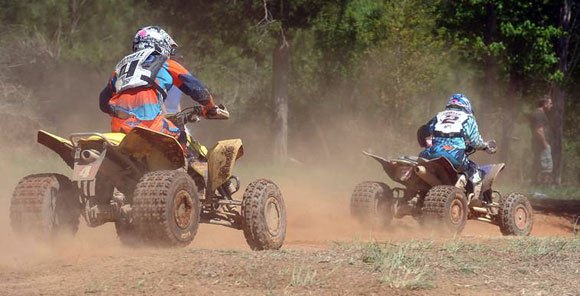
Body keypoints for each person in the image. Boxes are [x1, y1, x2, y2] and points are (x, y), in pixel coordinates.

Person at [99, 25, 216, 150]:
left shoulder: (120, 68)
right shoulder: (166, 63)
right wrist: (211, 108)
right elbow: (199, 91)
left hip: (119, 128)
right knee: (181, 136)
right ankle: (178, 170)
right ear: (160, 43)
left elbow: (103, 103)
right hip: (149, 125)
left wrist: (126, 112)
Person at [419, 93, 493, 206]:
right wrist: (485, 146)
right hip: (454, 155)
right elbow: (475, 141)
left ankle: (419, 192)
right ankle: (472, 199)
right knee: (474, 170)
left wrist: (427, 144)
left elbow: (423, 131)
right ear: (466, 105)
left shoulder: (438, 116)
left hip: (430, 154)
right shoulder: (468, 118)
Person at [529, 95, 553, 184]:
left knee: (539, 162)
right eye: (550, 103)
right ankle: (544, 184)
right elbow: (539, 130)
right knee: (546, 165)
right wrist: (545, 143)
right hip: (541, 144)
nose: (552, 105)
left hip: (539, 144)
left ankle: (537, 182)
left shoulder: (539, 114)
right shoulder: (539, 114)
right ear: (545, 104)